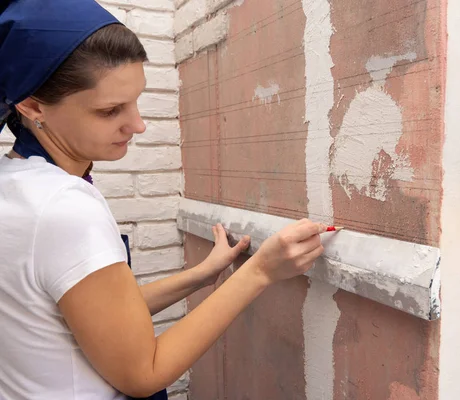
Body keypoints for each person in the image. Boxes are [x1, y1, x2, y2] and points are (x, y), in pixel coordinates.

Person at [0, 0, 327, 399]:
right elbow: (144, 372)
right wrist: (260, 271)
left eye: (136, 99)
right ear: (32, 105)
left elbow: (97, 315)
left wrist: (202, 275)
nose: (137, 124)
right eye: (109, 111)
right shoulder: (63, 207)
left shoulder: (16, 184)